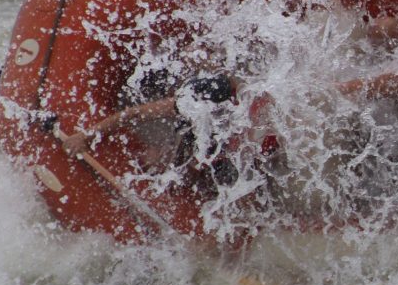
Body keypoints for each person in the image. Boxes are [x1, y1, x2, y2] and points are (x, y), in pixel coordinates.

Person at [61, 73, 281, 198]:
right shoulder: (201, 99)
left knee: (249, 170)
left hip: (238, 140)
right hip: (209, 123)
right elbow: (135, 114)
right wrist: (87, 136)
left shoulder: (263, 112)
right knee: (179, 163)